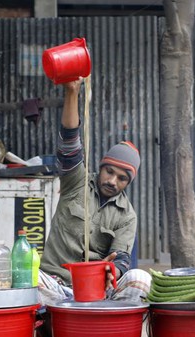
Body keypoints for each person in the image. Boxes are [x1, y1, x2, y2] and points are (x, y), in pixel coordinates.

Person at [38, 77, 151, 304]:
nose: (112, 181)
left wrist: (114, 271)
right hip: (55, 284)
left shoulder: (127, 216)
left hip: (97, 291)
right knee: (26, 281)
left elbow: (121, 257)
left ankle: (111, 333)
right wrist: (72, 93)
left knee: (141, 279)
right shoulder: (76, 182)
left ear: (128, 183)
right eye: (109, 172)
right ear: (101, 167)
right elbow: (69, 145)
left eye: (122, 178)